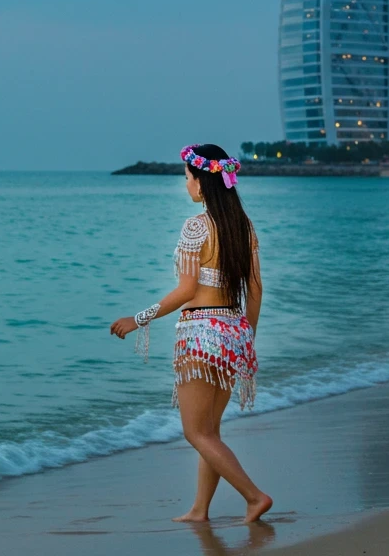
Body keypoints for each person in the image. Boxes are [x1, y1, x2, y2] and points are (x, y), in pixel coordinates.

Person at [110, 143, 271, 524]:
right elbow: (257, 288)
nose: (186, 185)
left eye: (187, 178)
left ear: (201, 182)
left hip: (200, 333)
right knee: (210, 431)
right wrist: (246, 336)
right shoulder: (242, 226)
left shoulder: (196, 225)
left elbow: (185, 291)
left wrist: (140, 318)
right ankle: (200, 510)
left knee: (195, 433)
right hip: (233, 332)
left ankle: (254, 496)